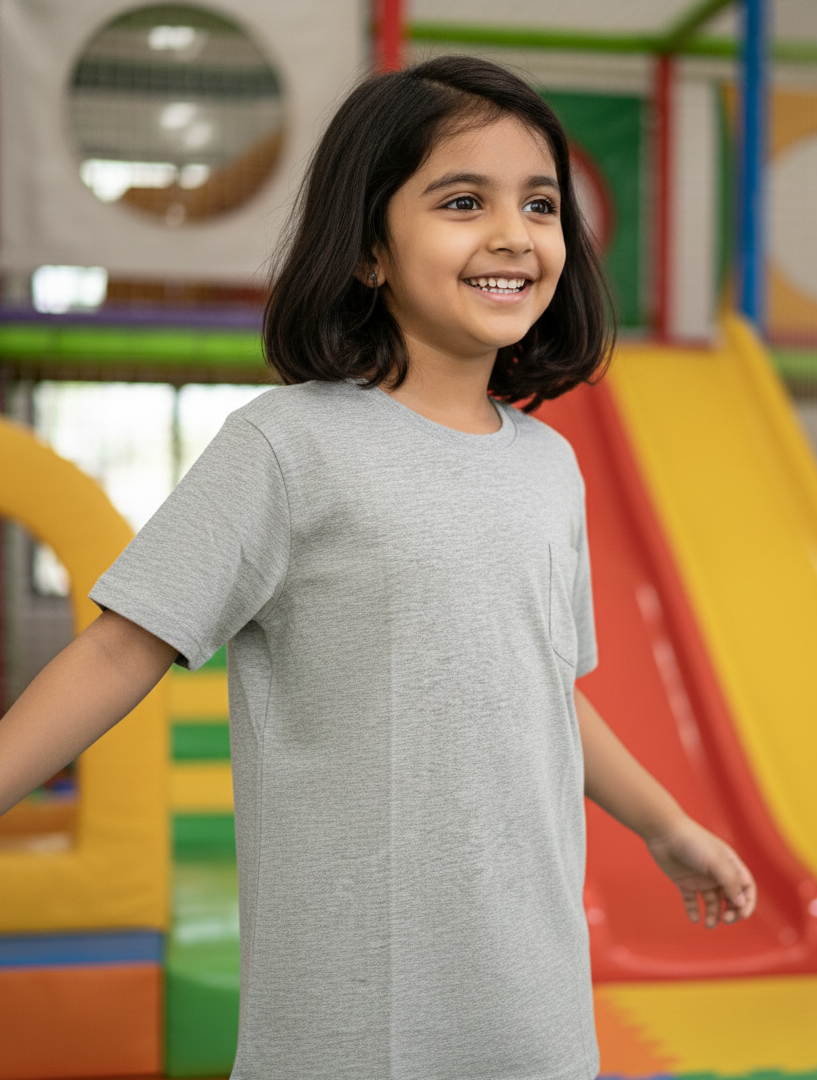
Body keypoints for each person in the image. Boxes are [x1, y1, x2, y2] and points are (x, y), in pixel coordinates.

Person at [0, 56, 756, 1080]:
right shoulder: (287, 446)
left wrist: (668, 826)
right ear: (368, 252)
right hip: (351, 1008)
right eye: (461, 200)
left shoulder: (550, 465)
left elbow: (541, 687)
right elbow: (123, 650)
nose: (512, 234)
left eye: (541, 203)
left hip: (531, 993)